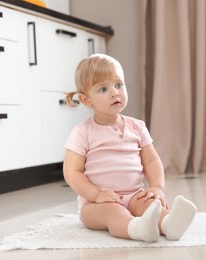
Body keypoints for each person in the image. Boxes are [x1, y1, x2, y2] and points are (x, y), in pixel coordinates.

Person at [63, 53, 197, 242]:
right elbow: (72, 172)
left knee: (150, 205)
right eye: (103, 89)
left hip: (135, 195)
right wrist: (96, 194)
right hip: (97, 204)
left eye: (118, 85)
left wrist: (157, 187)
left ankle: (168, 224)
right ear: (86, 100)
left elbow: (151, 160)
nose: (114, 92)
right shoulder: (83, 132)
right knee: (113, 213)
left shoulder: (137, 126)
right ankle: (136, 228)